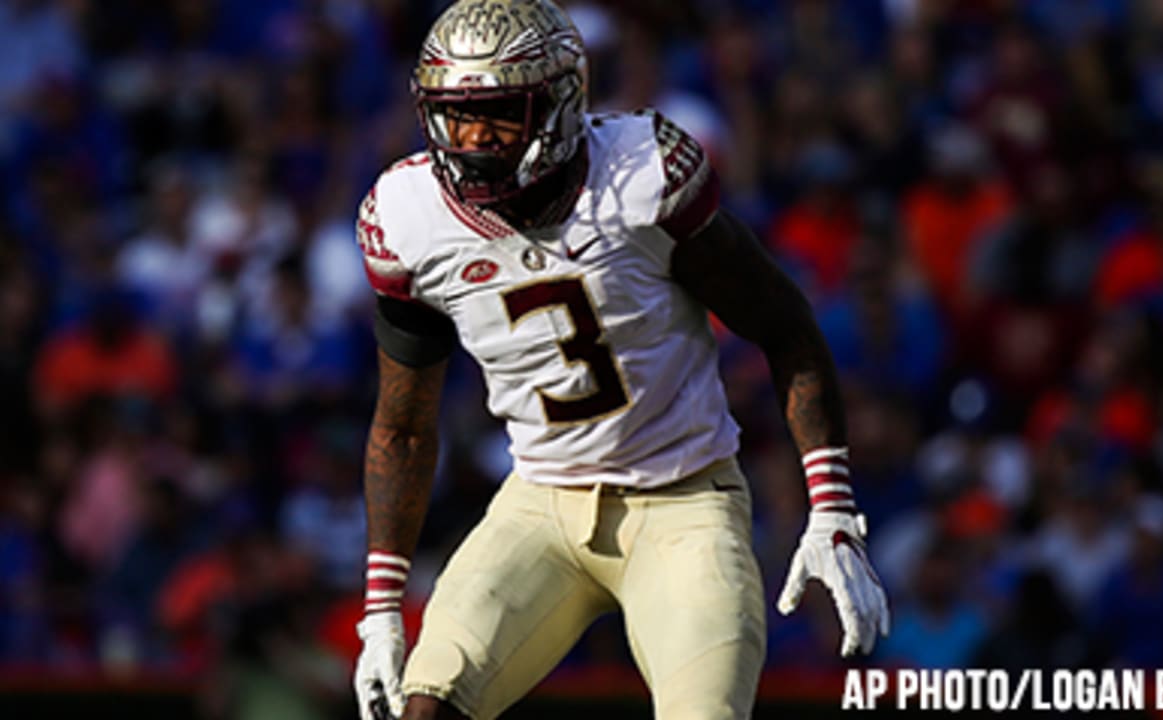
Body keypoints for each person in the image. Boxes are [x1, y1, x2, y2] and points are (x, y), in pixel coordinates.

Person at [350, 2, 890, 719]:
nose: (474, 137)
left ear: (561, 102)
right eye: (457, 114)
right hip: (538, 505)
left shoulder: (641, 179)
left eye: (500, 114)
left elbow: (785, 325)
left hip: (683, 499)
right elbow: (404, 427)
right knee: (429, 708)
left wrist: (832, 508)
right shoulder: (409, 216)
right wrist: (382, 607)